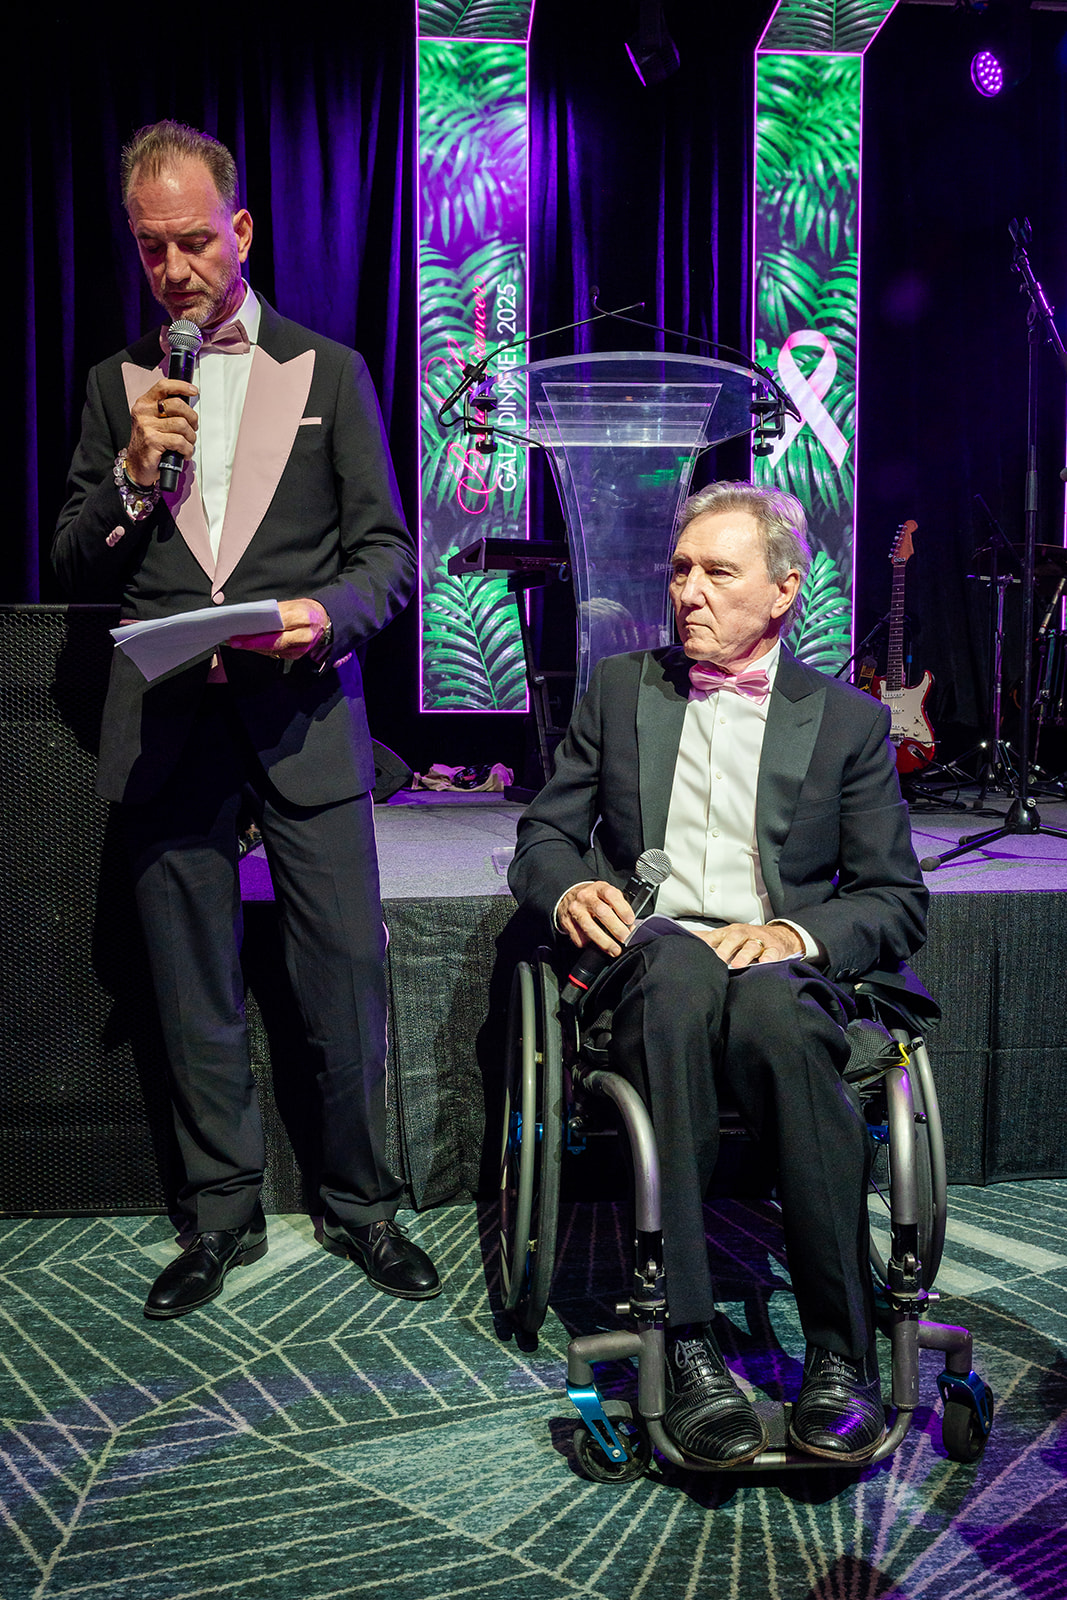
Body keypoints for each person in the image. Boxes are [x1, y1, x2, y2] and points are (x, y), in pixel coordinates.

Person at [53, 120, 439, 1319]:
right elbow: (71, 562)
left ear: (244, 230)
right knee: (191, 985)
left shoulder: (330, 371)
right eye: (149, 247)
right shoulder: (115, 386)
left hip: (302, 715)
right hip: (171, 722)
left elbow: (388, 555)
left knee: (342, 973)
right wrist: (130, 476)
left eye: (193, 242)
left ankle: (361, 1202)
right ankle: (220, 1215)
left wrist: (325, 615)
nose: (172, 269)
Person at [508, 480, 928, 1465]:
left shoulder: (845, 720)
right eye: (678, 570)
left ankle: (840, 1352)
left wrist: (794, 934)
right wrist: (569, 889)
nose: (686, 591)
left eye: (716, 572)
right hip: (652, 955)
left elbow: (891, 897)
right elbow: (543, 838)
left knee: (779, 1021)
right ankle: (686, 1339)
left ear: (782, 590)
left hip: (775, 965)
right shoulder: (621, 691)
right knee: (678, 977)